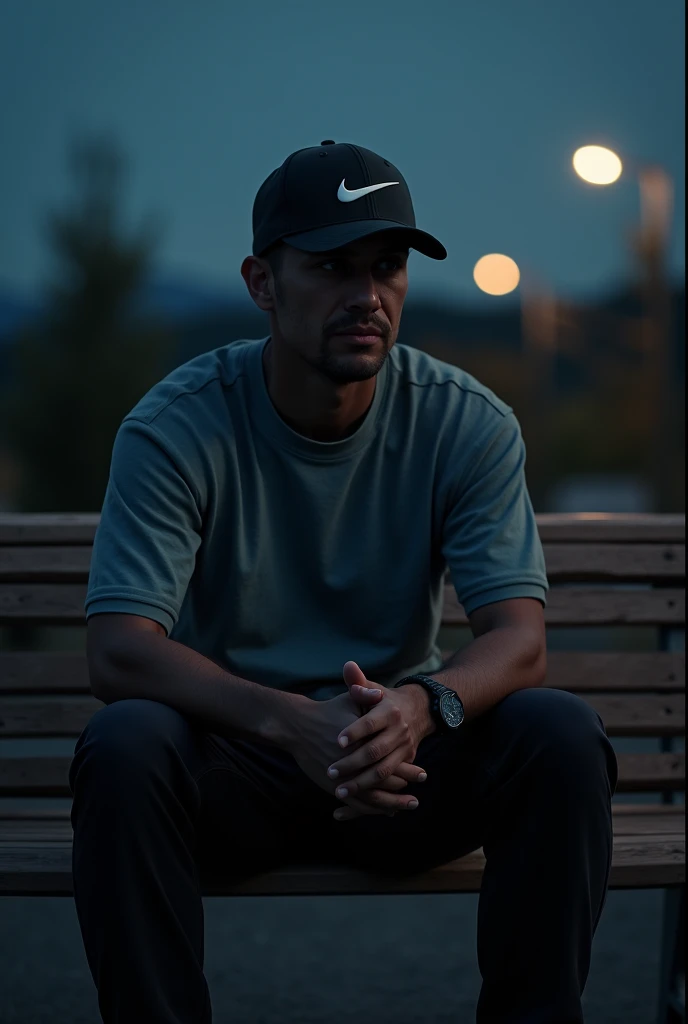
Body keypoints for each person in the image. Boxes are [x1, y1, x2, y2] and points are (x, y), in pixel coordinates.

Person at [69, 140, 618, 1023]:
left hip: (398, 766)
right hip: (241, 764)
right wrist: (292, 723)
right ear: (262, 283)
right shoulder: (177, 426)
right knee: (127, 745)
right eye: (331, 266)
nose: (366, 295)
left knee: (558, 732)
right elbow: (120, 653)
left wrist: (420, 707)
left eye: (387, 266)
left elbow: (519, 641)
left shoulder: (463, 422)